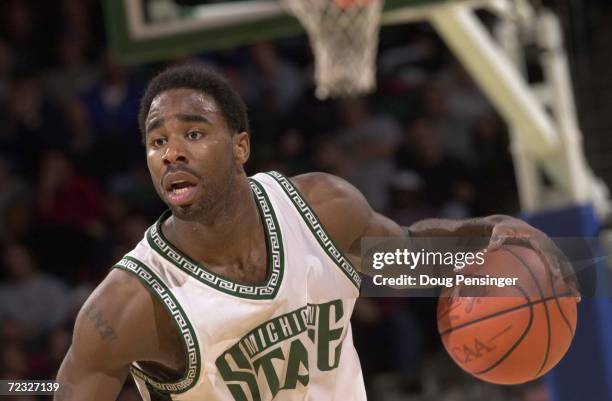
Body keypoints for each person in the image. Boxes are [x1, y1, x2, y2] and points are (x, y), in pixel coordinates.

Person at [55, 65, 578, 401]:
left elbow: (410, 260)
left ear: (240, 147)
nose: (171, 152)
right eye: (157, 141)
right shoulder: (131, 304)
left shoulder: (320, 210)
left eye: (193, 133)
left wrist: (500, 239)